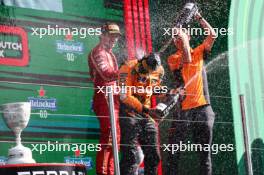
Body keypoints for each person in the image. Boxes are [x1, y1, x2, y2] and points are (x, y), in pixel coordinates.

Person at [167, 11, 217, 175]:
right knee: (175, 151)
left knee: (205, 155)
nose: (178, 38)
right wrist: (181, 35)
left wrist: (199, 17)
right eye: (176, 37)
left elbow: (213, 34)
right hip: (185, 111)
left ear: (189, 37)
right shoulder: (173, 58)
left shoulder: (199, 52)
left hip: (203, 109)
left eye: (181, 35)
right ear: (175, 42)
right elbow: (187, 58)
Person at [119, 53, 164, 175]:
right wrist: (147, 110)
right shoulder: (126, 68)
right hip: (130, 114)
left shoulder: (159, 71)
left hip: (146, 115)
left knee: (154, 156)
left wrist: (168, 92)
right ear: (142, 61)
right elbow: (124, 96)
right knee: (131, 157)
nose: (146, 73)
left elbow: (156, 89)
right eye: (144, 70)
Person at [88, 22, 121, 175]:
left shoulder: (110, 54)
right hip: (103, 98)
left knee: (116, 141)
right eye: (111, 35)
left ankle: (111, 172)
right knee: (108, 138)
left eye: (116, 36)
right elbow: (106, 74)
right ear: (102, 35)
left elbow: (115, 78)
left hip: (113, 99)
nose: (114, 39)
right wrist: (124, 71)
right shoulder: (98, 51)